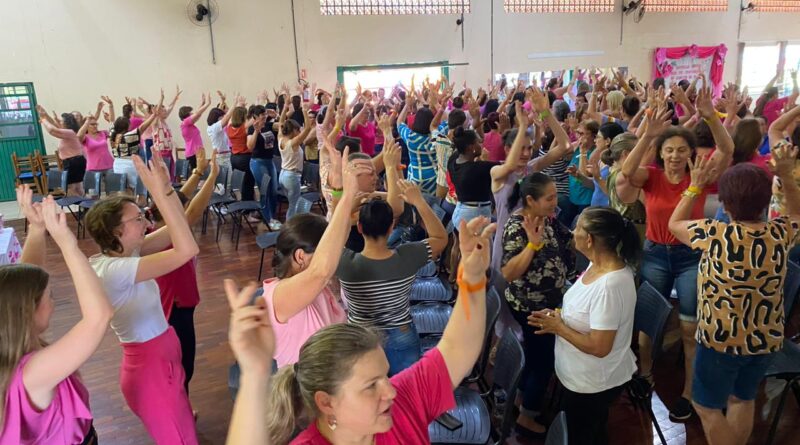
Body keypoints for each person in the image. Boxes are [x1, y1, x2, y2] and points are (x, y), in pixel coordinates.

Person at [220, 211, 494, 445]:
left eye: (384, 376)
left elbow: (458, 348)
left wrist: (473, 279)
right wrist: (255, 375)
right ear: (327, 403)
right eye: (370, 386)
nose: (390, 391)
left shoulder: (403, 402)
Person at [668, 144, 800, 445]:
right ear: (766, 201)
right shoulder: (780, 233)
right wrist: (788, 179)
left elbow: (673, 224)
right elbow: (796, 212)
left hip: (721, 340)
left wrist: (694, 186)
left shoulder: (714, 234)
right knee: (742, 398)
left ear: (725, 204)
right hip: (765, 338)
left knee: (705, 405)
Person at [619, 86, 734, 421]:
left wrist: (711, 116)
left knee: (688, 327)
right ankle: (646, 374)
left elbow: (726, 150)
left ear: (689, 153)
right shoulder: (651, 176)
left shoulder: (699, 175)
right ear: (661, 153)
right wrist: (648, 135)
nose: (674, 156)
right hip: (655, 253)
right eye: (668, 150)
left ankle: (687, 392)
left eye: (680, 150)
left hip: (690, 258)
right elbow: (627, 172)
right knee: (646, 324)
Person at [84, 153, 199, 444]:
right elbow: (187, 250)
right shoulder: (116, 269)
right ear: (116, 232)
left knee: (184, 430)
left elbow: (179, 226)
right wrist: (158, 193)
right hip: (150, 370)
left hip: (161, 357)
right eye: (137, 218)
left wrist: (167, 189)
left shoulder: (126, 253)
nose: (145, 220)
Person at [0, 187, 113, 445]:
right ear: (28, 310)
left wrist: (37, 229)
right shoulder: (30, 373)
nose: (54, 303)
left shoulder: (10, 343)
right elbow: (99, 317)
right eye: (50, 297)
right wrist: (67, 243)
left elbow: (26, 283)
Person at [530, 207, 640, 445]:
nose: (573, 231)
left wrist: (558, 328)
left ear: (589, 239)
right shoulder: (595, 264)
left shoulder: (611, 285)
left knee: (583, 436)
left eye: (578, 228)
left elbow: (600, 347)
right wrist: (558, 317)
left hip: (593, 383)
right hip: (578, 374)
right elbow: (586, 312)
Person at [263, 147, 371, 368]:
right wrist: (350, 194)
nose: (330, 253)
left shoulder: (312, 284)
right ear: (301, 256)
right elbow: (321, 270)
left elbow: (337, 235)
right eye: (321, 250)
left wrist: (340, 188)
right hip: (307, 394)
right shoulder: (279, 294)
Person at [336, 178, 447, 375]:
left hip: (360, 337)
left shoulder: (344, 261)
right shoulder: (408, 255)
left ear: (359, 228)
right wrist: (419, 202)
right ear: (391, 228)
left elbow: (331, 238)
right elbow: (441, 237)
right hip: (401, 333)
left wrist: (345, 209)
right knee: (403, 391)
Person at [501, 172, 575, 439]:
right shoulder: (517, 226)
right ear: (530, 200)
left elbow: (569, 238)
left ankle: (521, 399)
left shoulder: (548, 219)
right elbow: (509, 272)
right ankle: (526, 417)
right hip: (531, 305)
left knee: (534, 357)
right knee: (544, 362)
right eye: (550, 197)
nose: (555, 202)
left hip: (548, 302)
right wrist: (532, 244)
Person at [152, 154, 220, 393]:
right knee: (184, 366)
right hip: (174, 310)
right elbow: (190, 213)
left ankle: (181, 403)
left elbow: (182, 200)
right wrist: (212, 177)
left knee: (183, 364)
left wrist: (198, 172)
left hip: (180, 306)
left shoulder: (159, 226)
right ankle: (179, 406)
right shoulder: (167, 235)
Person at [109, 91, 162, 188]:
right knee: (135, 187)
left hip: (117, 164)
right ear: (127, 126)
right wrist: (153, 115)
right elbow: (142, 127)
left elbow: (111, 121)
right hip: (129, 164)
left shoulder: (112, 134)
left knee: (123, 188)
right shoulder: (128, 137)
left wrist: (111, 106)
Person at [37, 105, 89, 196]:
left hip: (73, 162)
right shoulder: (67, 132)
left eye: (61, 121)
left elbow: (52, 130)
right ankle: (85, 206)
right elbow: (53, 123)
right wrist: (45, 115)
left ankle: (84, 204)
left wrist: (43, 119)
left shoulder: (69, 132)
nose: (59, 121)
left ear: (66, 123)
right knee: (77, 187)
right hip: (75, 161)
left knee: (69, 188)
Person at [247, 105, 281, 230]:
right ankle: (268, 219)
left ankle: (272, 216)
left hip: (269, 161)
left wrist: (276, 115)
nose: (264, 118)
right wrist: (256, 131)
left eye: (265, 115)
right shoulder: (251, 129)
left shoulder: (269, 126)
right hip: (258, 162)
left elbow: (282, 125)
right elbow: (250, 147)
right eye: (262, 116)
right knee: (265, 190)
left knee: (273, 189)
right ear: (255, 117)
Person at [278, 102, 313, 220]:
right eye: (298, 130)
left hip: (283, 175)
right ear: (294, 130)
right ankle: (290, 229)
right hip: (291, 176)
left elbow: (281, 123)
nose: (299, 132)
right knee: (293, 206)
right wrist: (304, 111)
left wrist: (284, 107)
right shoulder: (293, 143)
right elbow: (308, 128)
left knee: (291, 203)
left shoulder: (280, 139)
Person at [580, 122, 625, 208]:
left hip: (606, 212)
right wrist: (579, 176)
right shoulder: (602, 159)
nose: (595, 140)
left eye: (598, 137)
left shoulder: (616, 164)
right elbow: (595, 184)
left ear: (607, 141)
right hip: (596, 209)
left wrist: (598, 178)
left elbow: (614, 194)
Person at [179, 93, 212, 171]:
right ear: (187, 114)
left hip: (196, 153)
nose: (192, 113)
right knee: (197, 175)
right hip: (193, 154)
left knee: (198, 175)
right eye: (191, 112)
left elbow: (197, 114)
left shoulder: (188, 124)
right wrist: (207, 104)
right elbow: (197, 113)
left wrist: (202, 103)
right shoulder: (186, 122)